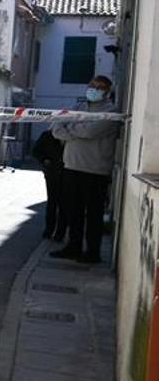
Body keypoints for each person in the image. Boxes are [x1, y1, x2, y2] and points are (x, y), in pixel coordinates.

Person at [49, 75, 120, 263]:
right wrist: (76, 128)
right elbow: (56, 128)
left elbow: (90, 131)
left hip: (95, 170)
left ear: (107, 92)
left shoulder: (111, 112)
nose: (95, 89)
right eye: (93, 85)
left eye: (100, 87)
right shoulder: (78, 108)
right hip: (71, 166)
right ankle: (73, 246)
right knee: (73, 211)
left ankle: (92, 252)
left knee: (94, 213)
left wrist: (70, 129)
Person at [31, 128, 68, 241]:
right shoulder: (47, 135)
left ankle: (60, 234)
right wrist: (44, 160)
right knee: (52, 203)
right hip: (52, 173)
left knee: (64, 205)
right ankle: (49, 231)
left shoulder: (72, 136)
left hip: (67, 174)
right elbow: (36, 151)